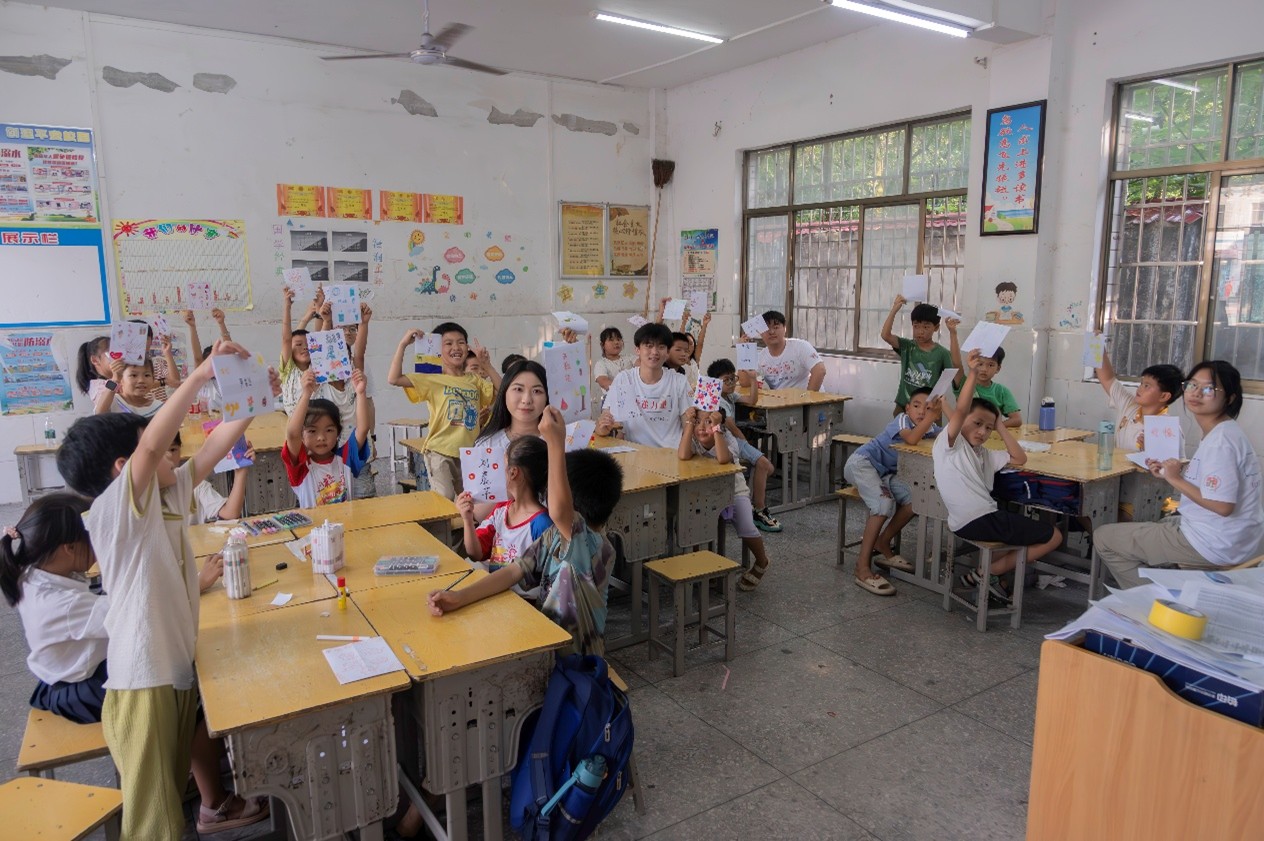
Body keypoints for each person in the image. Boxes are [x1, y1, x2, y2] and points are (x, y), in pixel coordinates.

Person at [53, 340, 267, 839]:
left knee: (169, 794)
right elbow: (150, 447)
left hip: (172, 670)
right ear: (124, 467)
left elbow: (216, 448)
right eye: (160, 444)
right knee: (153, 822)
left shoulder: (168, 493)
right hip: (142, 680)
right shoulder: (114, 510)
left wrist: (254, 392)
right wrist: (199, 374)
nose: (175, 449)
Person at [0, 492, 258, 836]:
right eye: (93, 538)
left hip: (75, 671)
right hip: (81, 688)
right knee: (192, 689)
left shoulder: (35, 569)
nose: (99, 545)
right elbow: (136, 613)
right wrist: (197, 583)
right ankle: (215, 804)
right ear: (69, 548)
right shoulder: (57, 603)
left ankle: (184, 766)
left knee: (181, 661)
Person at [429, 406, 622, 656]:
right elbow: (513, 571)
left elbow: (560, 511)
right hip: (546, 646)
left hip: (577, 663)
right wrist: (460, 597)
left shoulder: (593, 545)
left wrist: (555, 443)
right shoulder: (553, 537)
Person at [1096, 361, 1264, 588]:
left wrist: (1174, 478)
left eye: (1209, 388)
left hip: (1214, 544)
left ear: (1230, 398)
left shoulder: (1220, 442)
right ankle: (1171, 585)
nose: (1196, 393)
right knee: (1163, 521)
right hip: (1236, 538)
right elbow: (1212, 480)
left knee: (1104, 538)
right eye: (1192, 385)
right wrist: (1171, 472)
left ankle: (1153, 601)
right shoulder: (1225, 431)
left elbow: (1222, 506)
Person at [933, 349, 1062, 602]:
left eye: (988, 428)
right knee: (1054, 536)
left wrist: (999, 425)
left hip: (974, 520)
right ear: (960, 421)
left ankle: (990, 575)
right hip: (979, 519)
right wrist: (971, 373)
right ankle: (988, 573)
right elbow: (961, 410)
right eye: (977, 424)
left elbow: (1019, 458)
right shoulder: (951, 444)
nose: (982, 432)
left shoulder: (984, 453)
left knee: (1016, 531)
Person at [845, 388, 943, 596]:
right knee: (883, 504)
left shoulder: (930, 427)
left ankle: (883, 541)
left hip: (885, 474)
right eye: (916, 406)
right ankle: (862, 567)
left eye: (928, 408)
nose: (922, 412)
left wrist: (946, 411)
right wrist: (932, 416)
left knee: (916, 500)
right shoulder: (901, 421)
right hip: (862, 464)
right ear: (907, 408)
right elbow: (912, 439)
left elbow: (951, 434)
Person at [386, 323, 496, 500]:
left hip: (468, 453)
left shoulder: (474, 380)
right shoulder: (432, 378)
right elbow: (394, 378)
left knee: (473, 499)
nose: (456, 347)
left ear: (467, 348)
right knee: (445, 497)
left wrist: (487, 366)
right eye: (448, 343)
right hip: (439, 451)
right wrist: (403, 345)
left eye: (461, 342)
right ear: (438, 349)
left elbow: (504, 392)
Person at [677, 406, 774, 591]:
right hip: (704, 492)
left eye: (708, 422)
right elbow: (682, 455)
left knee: (746, 526)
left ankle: (762, 561)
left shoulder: (728, 439)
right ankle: (704, 568)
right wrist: (689, 423)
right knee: (694, 525)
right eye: (698, 421)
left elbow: (722, 459)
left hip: (733, 490)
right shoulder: (694, 438)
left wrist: (716, 430)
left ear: (719, 426)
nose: (701, 427)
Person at [457, 435, 552, 596]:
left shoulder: (542, 524)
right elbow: (475, 553)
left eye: (502, 464)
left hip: (525, 604)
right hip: (496, 594)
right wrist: (467, 519)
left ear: (513, 472)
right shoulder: (501, 510)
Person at [707, 357, 780, 531]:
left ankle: (753, 503)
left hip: (734, 440)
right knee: (764, 465)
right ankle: (759, 510)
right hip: (729, 441)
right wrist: (747, 445)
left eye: (733, 378)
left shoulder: (729, 396)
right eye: (726, 380)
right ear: (714, 383)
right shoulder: (718, 400)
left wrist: (753, 379)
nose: (731, 383)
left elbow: (751, 400)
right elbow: (732, 428)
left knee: (767, 468)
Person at [283, 369, 372, 508]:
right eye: (312, 431)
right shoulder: (301, 467)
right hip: (314, 523)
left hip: (347, 522)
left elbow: (363, 429)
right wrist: (306, 394)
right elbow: (292, 434)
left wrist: (360, 393)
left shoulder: (345, 459)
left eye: (329, 430)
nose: (321, 437)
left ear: (338, 433)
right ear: (302, 435)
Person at [595, 322, 691, 447]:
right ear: (637, 350)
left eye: (661, 347)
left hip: (671, 453)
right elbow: (603, 423)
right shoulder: (624, 379)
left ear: (667, 352)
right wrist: (603, 428)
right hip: (635, 452)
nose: (654, 352)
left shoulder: (679, 381)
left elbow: (688, 423)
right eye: (649, 346)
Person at [1092, 342, 1184, 454]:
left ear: (1164, 396)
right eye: (1141, 383)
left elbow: (1175, 463)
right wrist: (1096, 342)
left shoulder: (1169, 429)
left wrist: (1151, 452)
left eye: (1147, 386)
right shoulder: (1129, 405)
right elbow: (1107, 379)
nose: (1139, 389)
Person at [881, 295, 952, 413]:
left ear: (936, 327)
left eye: (926, 326)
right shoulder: (907, 346)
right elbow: (885, 335)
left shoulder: (942, 353)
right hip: (904, 406)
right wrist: (894, 309)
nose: (920, 331)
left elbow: (949, 378)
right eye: (916, 326)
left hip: (928, 409)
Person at [946, 316, 1022, 427]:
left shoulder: (1001, 391)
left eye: (990, 365)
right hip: (965, 434)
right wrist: (953, 333)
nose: (984, 369)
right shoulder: (964, 384)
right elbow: (956, 363)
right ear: (972, 362)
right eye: (980, 364)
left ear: (998, 368)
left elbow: (1017, 419)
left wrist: (990, 428)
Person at [164, 433, 252, 525]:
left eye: (173, 449)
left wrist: (241, 470)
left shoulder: (195, 484)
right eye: (160, 452)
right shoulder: (153, 495)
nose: (168, 456)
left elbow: (229, 514)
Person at [744, 310, 826, 391]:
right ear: (760, 333)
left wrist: (808, 397)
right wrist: (743, 350)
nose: (771, 332)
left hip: (806, 397)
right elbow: (745, 382)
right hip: (781, 398)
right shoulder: (760, 357)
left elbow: (820, 370)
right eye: (767, 329)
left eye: (776, 327)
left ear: (784, 328)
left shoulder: (800, 346)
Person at [93, 356, 163, 417]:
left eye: (147, 375)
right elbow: (99, 415)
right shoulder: (112, 401)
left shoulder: (159, 406)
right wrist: (115, 379)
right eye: (134, 375)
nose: (141, 380)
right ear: (121, 379)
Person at [593, 327, 632, 409]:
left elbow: (644, 366)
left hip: (632, 399)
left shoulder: (630, 358)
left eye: (618, 339)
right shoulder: (601, 363)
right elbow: (603, 382)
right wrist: (627, 389)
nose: (616, 342)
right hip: (611, 401)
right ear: (602, 345)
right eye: (611, 340)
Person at [74, 335, 112, 401]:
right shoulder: (99, 386)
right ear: (95, 360)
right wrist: (116, 378)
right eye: (111, 354)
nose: (119, 357)